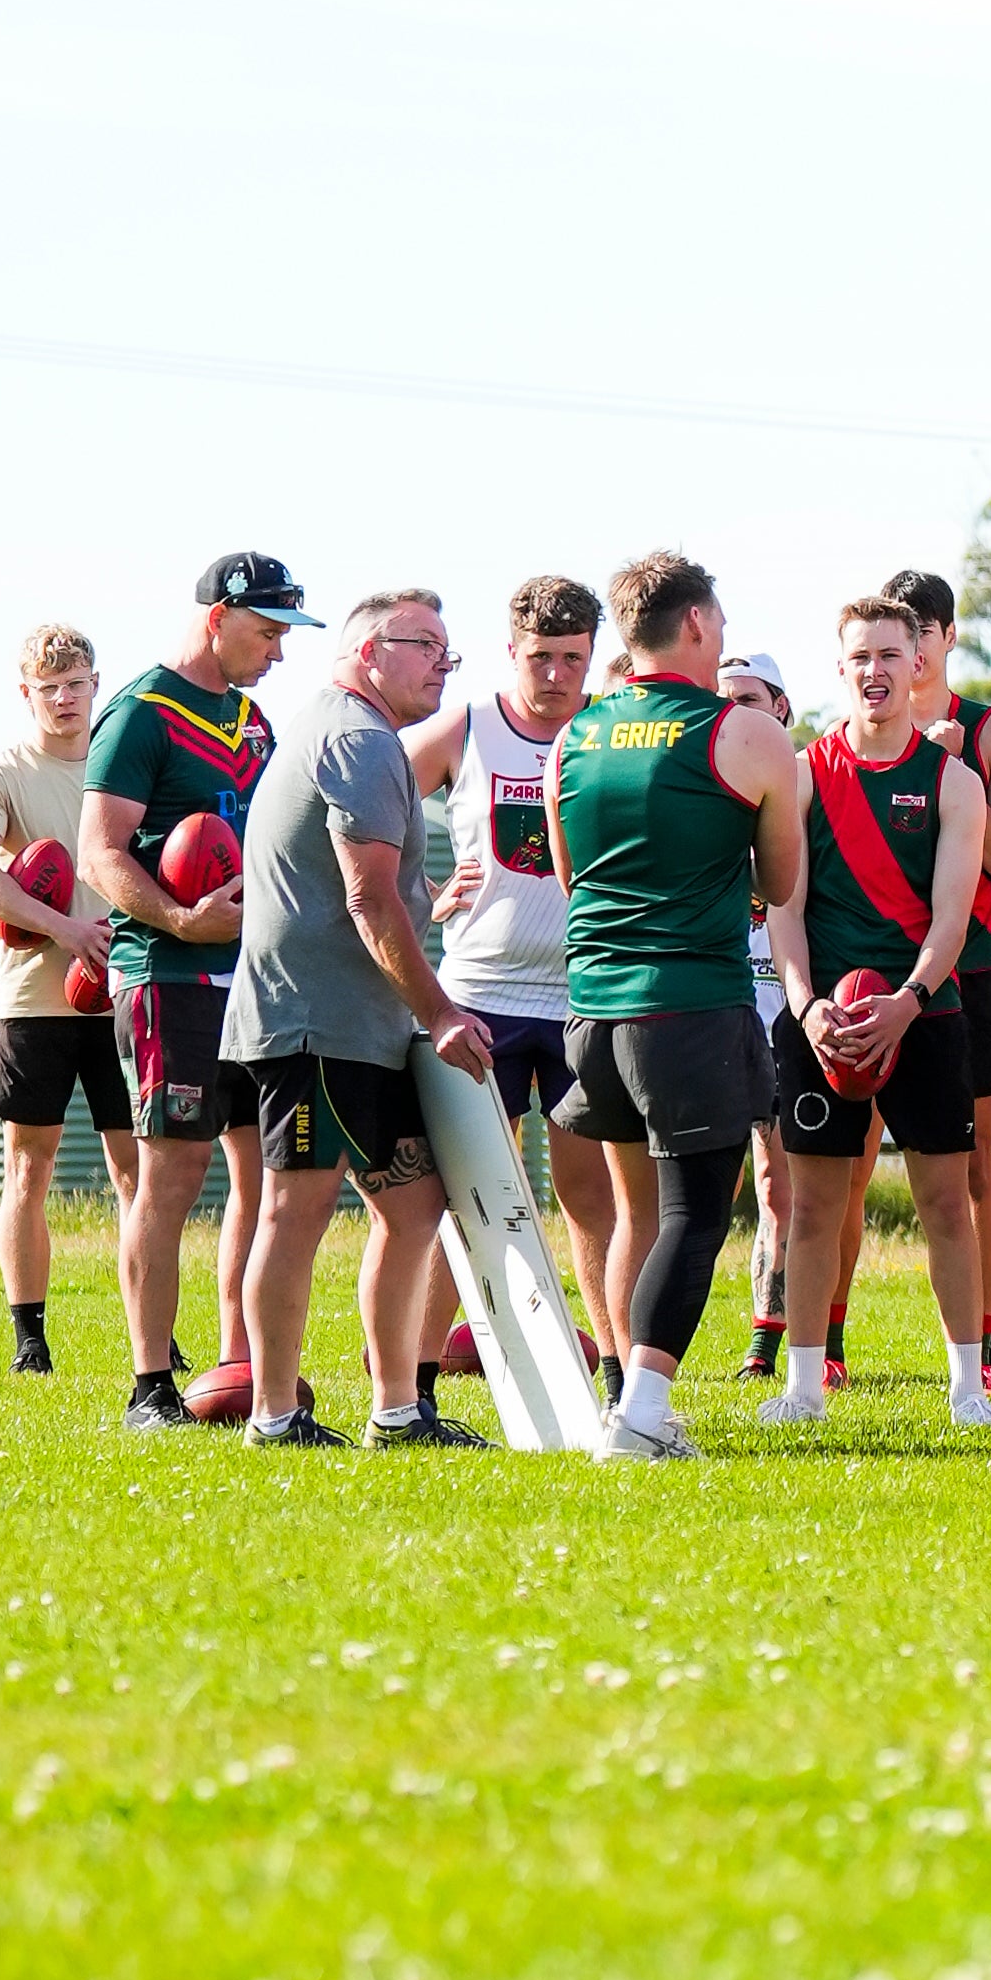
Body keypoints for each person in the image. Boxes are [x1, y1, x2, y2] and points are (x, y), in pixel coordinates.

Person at [219, 589, 496, 1450]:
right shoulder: (359, 738)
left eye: (449, 651)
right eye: (427, 646)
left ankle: (397, 1411)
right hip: (318, 1025)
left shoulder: (347, 729)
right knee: (293, 1213)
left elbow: (374, 893)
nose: (444, 665)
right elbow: (367, 898)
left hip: (355, 1027)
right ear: (372, 650)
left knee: (413, 1206)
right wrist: (441, 1012)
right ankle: (274, 1416)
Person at [547, 552, 805, 1461]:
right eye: (719, 620)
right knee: (696, 1213)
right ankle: (642, 1416)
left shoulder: (575, 735)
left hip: (592, 1008)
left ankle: (631, 1401)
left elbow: (573, 878)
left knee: (636, 1215)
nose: (723, 633)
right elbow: (780, 882)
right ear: (694, 622)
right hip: (690, 1004)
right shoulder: (746, 733)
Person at [755, 596, 991, 1426]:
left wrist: (907, 1001)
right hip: (822, 1022)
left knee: (947, 1203)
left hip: (925, 1017)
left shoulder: (953, 782)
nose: (875, 671)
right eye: (860, 656)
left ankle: (968, 1388)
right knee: (814, 1208)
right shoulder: (800, 772)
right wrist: (806, 1007)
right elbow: (783, 907)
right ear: (841, 668)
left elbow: (953, 919)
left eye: (890, 655)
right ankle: (802, 1387)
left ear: (916, 664)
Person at [78, 551, 300, 1429]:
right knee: (172, 1176)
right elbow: (98, 853)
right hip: (169, 975)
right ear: (217, 617)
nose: (278, 651)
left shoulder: (253, 721)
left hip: (256, 979)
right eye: (267, 631)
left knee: (264, 1172)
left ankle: (241, 1366)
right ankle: (149, 1388)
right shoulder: (140, 713)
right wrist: (178, 918)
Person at [408, 574, 615, 1377]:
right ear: (511, 651)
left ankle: (620, 1378)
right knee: (459, 1197)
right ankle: (417, 1380)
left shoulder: (610, 729)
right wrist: (420, 896)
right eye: (540, 657)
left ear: (593, 656)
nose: (556, 674)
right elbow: (361, 806)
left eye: (572, 658)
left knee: (590, 1197)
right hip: (478, 998)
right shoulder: (468, 726)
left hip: (583, 997)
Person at [0, 624, 136, 1375]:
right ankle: (30, 1340)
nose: (65, 698)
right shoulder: (3, 771)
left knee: (139, 1174)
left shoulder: (124, 761)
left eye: (76, 684)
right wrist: (67, 929)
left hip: (128, 993)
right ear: (25, 693)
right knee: (29, 1170)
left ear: (97, 685)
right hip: (36, 1001)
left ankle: (153, 1336)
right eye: (49, 687)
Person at [885, 569, 991, 1397]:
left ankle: (984, 1352)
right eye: (896, 630)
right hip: (870, 972)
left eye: (924, 630)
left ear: (947, 637)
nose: (909, 648)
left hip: (968, 972)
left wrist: (951, 776)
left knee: (975, 1168)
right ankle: (819, 1350)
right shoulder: (852, 735)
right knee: (838, 1177)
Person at [716, 648, 804, 1378]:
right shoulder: (699, 782)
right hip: (714, 1011)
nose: (733, 710)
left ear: (781, 708)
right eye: (724, 698)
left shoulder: (807, 782)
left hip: (789, 1014)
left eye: (748, 698)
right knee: (709, 1185)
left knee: (782, 1184)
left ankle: (767, 1342)